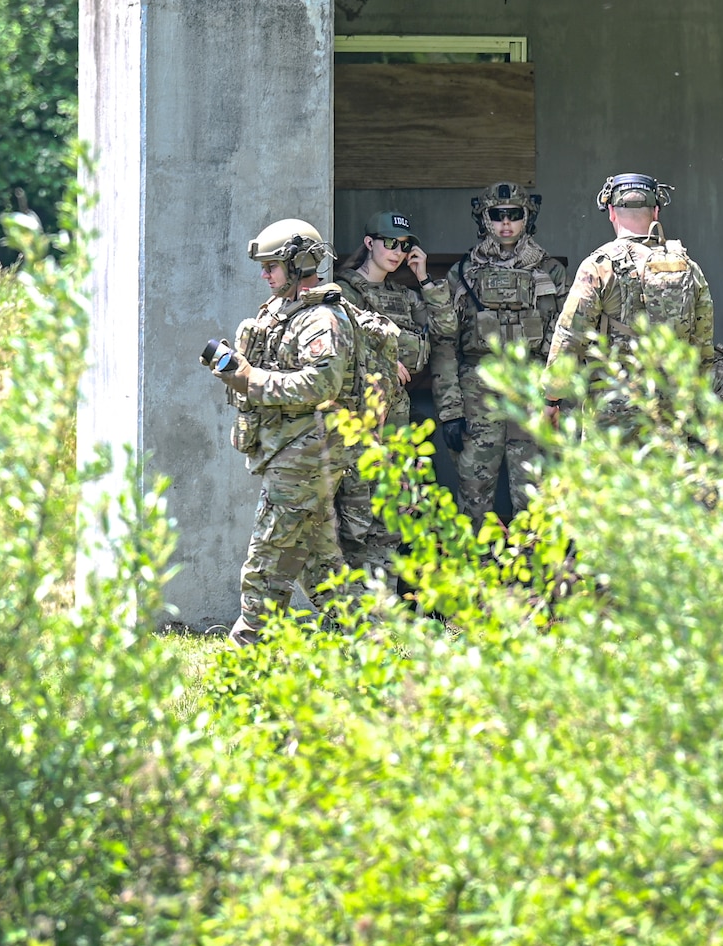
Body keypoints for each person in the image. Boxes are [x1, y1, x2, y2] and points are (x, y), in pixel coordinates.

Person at [204, 218, 358, 646]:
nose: (264, 274)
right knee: (317, 556)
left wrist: (251, 379)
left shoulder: (321, 318)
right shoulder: (279, 311)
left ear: (300, 264)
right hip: (288, 447)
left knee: (269, 552)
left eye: (272, 266)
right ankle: (362, 635)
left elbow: (322, 384)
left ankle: (248, 643)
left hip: (308, 450)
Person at [332, 210, 458, 575]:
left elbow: (445, 330)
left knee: (392, 512)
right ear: (370, 243)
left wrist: (424, 279)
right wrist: (386, 362)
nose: (398, 251)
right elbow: (342, 347)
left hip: (397, 416)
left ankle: (384, 611)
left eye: (405, 245)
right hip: (362, 417)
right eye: (390, 243)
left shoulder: (401, 295)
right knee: (357, 515)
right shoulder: (344, 291)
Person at [544, 172, 713, 433]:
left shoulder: (599, 266)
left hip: (612, 411)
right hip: (670, 408)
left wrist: (551, 398)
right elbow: (702, 343)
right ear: (656, 211)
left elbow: (569, 336)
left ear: (611, 211)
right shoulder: (687, 267)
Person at [442, 183, 568, 521]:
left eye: (514, 215)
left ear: (528, 218)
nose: (506, 223)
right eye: (497, 215)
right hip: (477, 393)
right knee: (474, 494)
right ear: (485, 219)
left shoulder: (550, 271)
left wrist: (554, 398)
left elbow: (563, 340)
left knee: (534, 493)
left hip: (531, 391)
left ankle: (530, 572)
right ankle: (475, 570)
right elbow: (445, 342)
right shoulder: (464, 272)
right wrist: (450, 409)